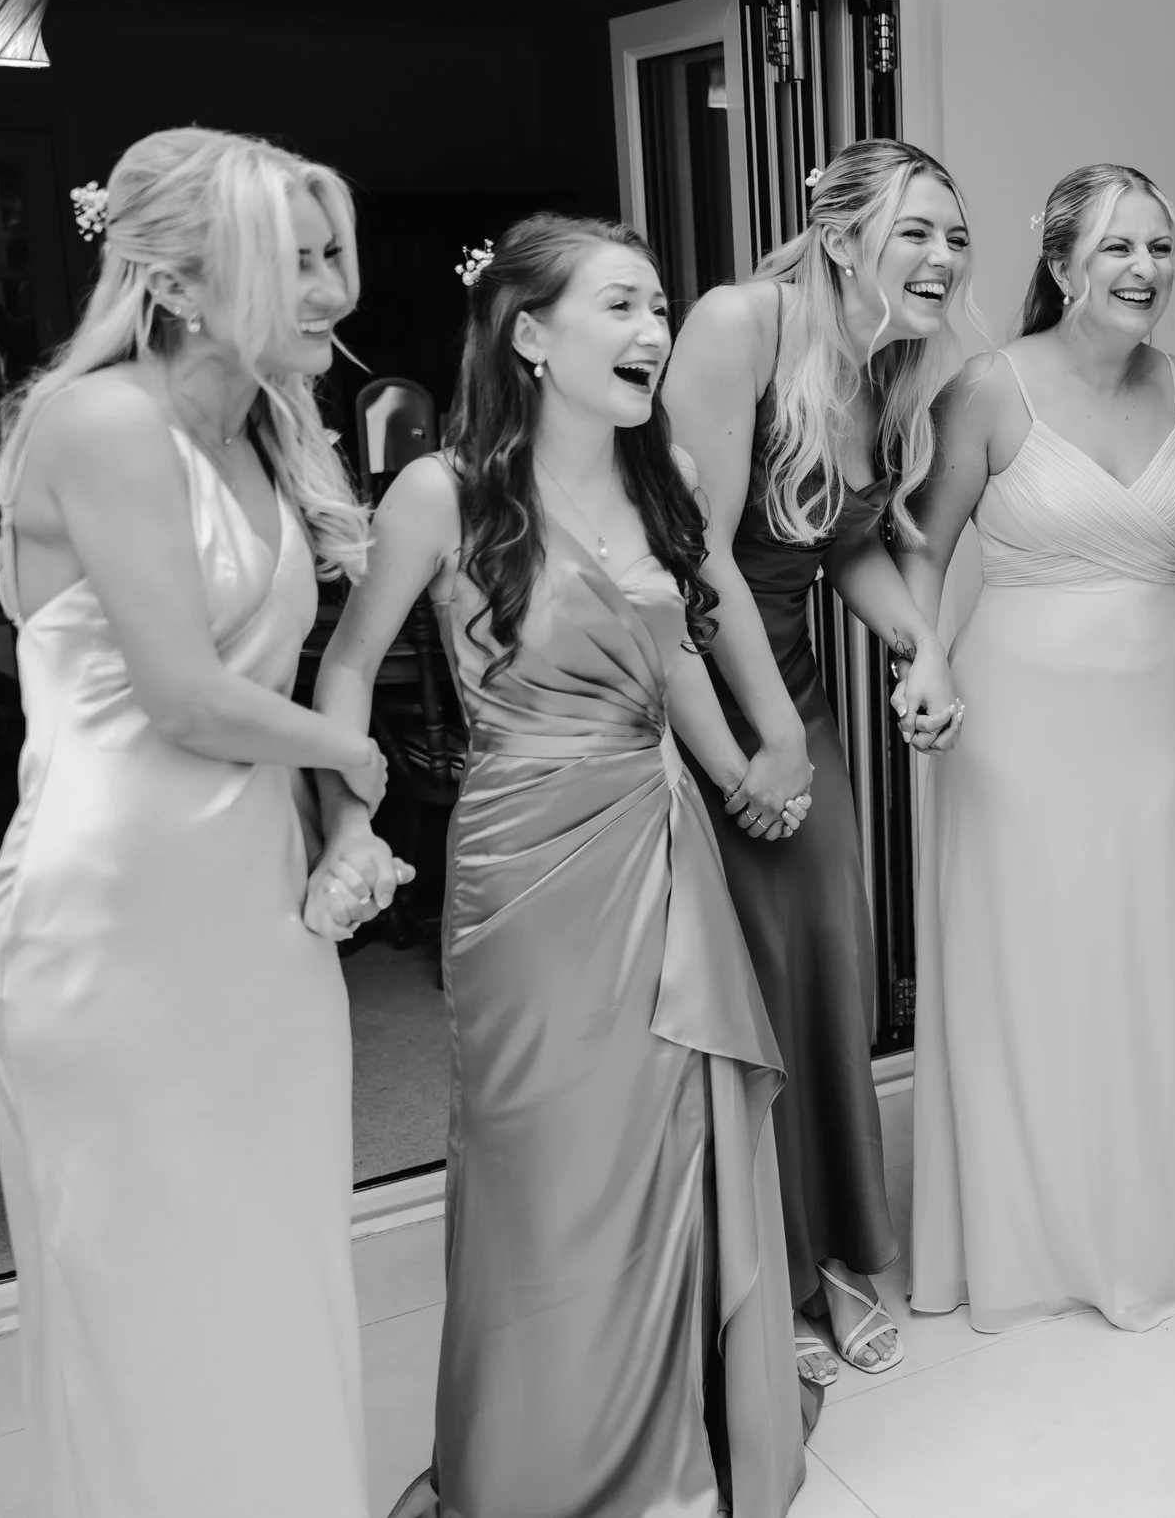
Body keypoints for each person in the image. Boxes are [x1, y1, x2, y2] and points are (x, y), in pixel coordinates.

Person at [314, 215, 805, 1515]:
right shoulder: (442, 491)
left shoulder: (669, 477)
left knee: (660, 1148)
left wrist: (752, 758)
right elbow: (349, 666)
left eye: (659, 308)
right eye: (623, 308)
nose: (654, 332)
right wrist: (346, 817)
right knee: (542, 1163)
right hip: (522, 868)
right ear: (531, 333)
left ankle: (666, 1454)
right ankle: (539, 1463)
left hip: (655, 840)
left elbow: (678, 647)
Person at [0, 126, 385, 1517]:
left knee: (273, 1243)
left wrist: (333, 817)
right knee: (147, 1269)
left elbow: (264, 680)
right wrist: (354, 751)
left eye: (336, 254)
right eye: (302, 260)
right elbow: (190, 695)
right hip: (112, 922)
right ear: (186, 285)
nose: (336, 288)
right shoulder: (99, 421)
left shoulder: (271, 425)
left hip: (252, 910)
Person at [660, 138, 969, 1388]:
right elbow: (697, 555)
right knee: (741, 999)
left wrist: (923, 651)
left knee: (829, 980)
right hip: (701, 709)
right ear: (842, 234)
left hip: (800, 705)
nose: (944, 257)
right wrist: (768, 739)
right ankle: (757, 1276)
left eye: (956, 236)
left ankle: (835, 1252)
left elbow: (840, 547)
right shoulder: (739, 325)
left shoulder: (891, 363)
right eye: (918, 232)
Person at [901, 164, 1175, 1333]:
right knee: (1030, 964)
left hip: (1150, 725)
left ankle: (1143, 1225)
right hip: (1018, 722)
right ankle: (1027, 1235)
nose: (1144, 271)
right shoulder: (989, 390)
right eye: (1117, 249)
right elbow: (922, 554)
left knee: (1140, 958)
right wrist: (924, 661)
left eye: (1159, 247)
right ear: (1061, 266)